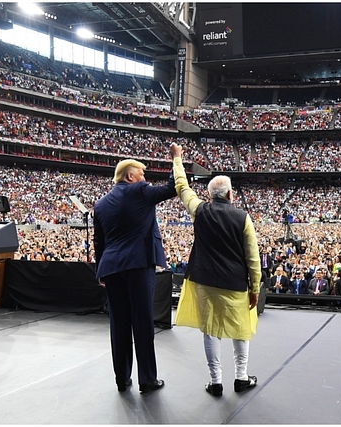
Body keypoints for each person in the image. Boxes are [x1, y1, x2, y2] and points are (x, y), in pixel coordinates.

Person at [171, 143, 261, 397]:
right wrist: (255, 288)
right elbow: (253, 258)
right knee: (240, 327)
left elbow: (182, 188)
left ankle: (216, 381)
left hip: (204, 281)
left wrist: (178, 160)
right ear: (231, 195)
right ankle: (242, 377)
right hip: (235, 283)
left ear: (209, 195)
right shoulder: (243, 217)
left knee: (210, 330)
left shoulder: (199, 210)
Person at [93, 157, 176, 393]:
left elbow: (99, 241)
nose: (145, 179)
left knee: (119, 324)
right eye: (142, 174)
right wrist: (177, 159)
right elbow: (171, 188)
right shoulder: (139, 191)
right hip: (138, 264)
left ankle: (122, 378)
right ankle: (147, 379)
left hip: (112, 268)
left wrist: (101, 270)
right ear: (130, 176)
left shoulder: (100, 204)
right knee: (142, 321)